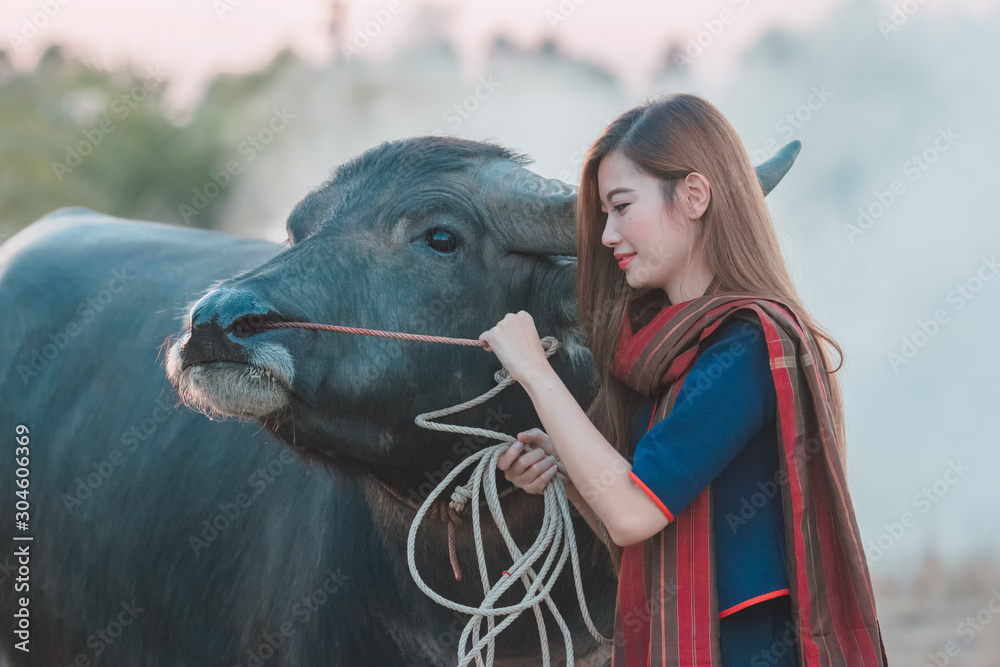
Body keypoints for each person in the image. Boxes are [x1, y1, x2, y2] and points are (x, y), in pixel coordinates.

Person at [478, 93, 888, 666]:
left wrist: (534, 372)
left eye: (621, 206)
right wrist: (566, 470)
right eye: (604, 215)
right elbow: (638, 522)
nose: (606, 236)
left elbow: (631, 513)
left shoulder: (745, 343)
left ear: (693, 196)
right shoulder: (659, 357)